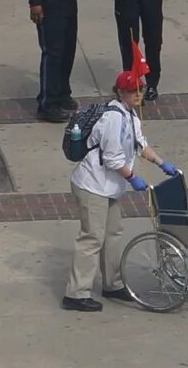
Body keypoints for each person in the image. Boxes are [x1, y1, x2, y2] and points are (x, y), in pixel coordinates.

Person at [64, 67, 177, 310]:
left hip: (110, 188)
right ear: (119, 92)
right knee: (92, 237)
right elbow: (113, 158)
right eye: (131, 90)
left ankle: (112, 284)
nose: (137, 94)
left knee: (112, 234)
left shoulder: (131, 115)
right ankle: (76, 293)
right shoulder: (113, 118)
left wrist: (161, 163)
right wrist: (133, 178)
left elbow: (140, 145)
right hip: (92, 185)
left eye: (140, 89)